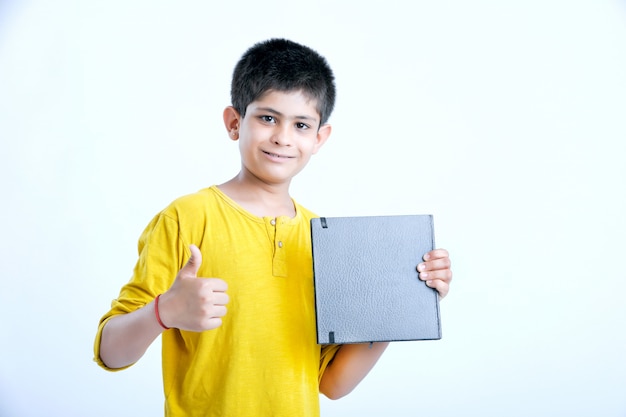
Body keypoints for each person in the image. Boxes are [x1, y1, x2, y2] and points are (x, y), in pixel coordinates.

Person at [93, 38, 453, 417]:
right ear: (235, 122)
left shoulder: (324, 237)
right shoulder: (186, 217)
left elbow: (333, 384)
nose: (282, 137)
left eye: (301, 124)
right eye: (268, 118)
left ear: (319, 138)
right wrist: (163, 311)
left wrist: (400, 304)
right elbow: (110, 353)